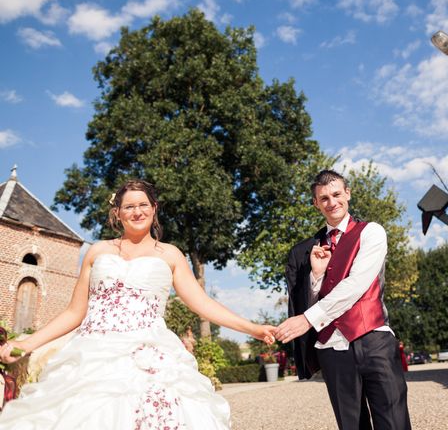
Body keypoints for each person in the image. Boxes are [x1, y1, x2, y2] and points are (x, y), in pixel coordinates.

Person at [0, 179, 275, 429]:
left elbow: (201, 303)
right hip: (94, 353)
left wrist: (251, 328)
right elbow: (74, 312)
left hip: (149, 353)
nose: (137, 211)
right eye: (129, 206)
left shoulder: (171, 255)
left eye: (144, 204)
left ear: (154, 209)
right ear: (117, 213)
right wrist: (26, 343)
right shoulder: (97, 251)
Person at [275, 169, 411, 430]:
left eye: (336, 194)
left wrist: (308, 319)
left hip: (374, 340)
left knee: (393, 422)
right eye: (324, 198)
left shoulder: (371, 232)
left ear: (347, 194)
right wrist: (316, 276)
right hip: (331, 349)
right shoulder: (305, 251)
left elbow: (356, 285)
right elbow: (303, 299)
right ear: (316, 203)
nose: (332, 202)